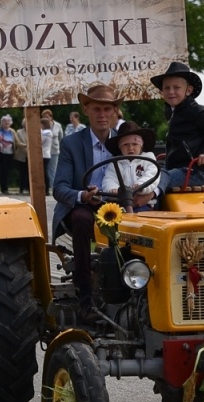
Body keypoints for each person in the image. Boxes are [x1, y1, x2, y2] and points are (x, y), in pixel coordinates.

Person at [53, 84, 169, 307]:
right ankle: (84, 291)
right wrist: (82, 196)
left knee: (153, 224)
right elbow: (60, 187)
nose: (103, 115)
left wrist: (151, 193)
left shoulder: (127, 140)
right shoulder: (71, 143)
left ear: (116, 112)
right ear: (86, 110)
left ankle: (149, 290)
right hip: (87, 206)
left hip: (125, 204)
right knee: (81, 219)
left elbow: (158, 169)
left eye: (108, 110)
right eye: (97, 109)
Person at [152, 60, 204, 186]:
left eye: (176, 87)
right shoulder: (172, 112)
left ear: (189, 90)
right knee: (146, 177)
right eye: (167, 88)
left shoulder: (196, 110)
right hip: (175, 169)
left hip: (192, 172)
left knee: (155, 182)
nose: (171, 92)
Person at [101, 121, 160, 211]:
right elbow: (109, 178)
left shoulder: (149, 159)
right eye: (125, 145)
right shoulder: (115, 163)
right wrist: (113, 188)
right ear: (120, 148)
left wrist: (141, 186)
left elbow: (152, 175)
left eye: (135, 144)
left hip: (143, 204)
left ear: (142, 145)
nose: (130, 148)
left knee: (141, 215)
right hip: (120, 204)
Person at [39, 108, 60, 190]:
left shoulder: (56, 126)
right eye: (44, 117)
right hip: (46, 151)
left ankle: (53, 186)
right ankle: (48, 186)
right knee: (45, 171)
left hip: (53, 149)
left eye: (48, 116)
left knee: (52, 170)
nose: (46, 118)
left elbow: (61, 137)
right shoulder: (44, 130)